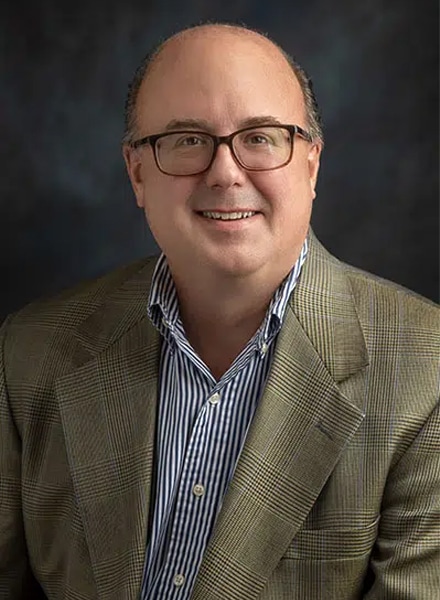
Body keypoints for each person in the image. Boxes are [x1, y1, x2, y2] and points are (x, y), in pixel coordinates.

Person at [0, 22, 439, 600]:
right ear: (137, 172)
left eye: (260, 137)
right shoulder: (29, 350)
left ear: (310, 165)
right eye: (186, 139)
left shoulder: (426, 368)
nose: (226, 172)